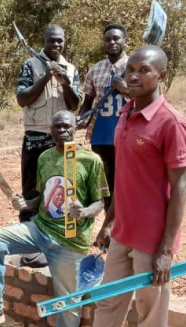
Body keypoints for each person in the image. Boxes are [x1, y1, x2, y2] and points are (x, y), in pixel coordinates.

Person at [63, 46, 186, 327]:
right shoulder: (126, 114)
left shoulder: (171, 122)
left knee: (149, 310)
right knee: (110, 299)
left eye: (143, 70)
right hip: (123, 230)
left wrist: (166, 249)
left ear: (161, 75)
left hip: (152, 239)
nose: (133, 76)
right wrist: (109, 223)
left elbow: (180, 187)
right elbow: (123, 177)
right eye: (130, 69)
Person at [0, 110, 108, 327]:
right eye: (57, 127)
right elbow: (43, 197)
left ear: (76, 128)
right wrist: (26, 204)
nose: (62, 131)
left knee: (69, 304)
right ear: (50, 131)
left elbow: (100, 202)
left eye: (66, 126)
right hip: (40, 229)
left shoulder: (91, 160)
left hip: (70, 242)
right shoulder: (45, 158)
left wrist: (83, 212)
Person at [15, 24, 82, 268]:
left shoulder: (72, 69)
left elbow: (74, 105)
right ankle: (28, 245)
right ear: (43, 40)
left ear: (64, 42)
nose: (56, 45)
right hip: (35, 138)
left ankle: (57, 244)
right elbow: (22, 99)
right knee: (32, 194)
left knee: (60, 192)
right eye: (51, 41)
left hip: (63, 140)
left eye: (60, 41)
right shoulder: (30, 65)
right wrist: (46, 76)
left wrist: (63, 79)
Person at [77, 24, 129, 212]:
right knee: (106, 184)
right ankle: (110, 229)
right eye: (108, 39)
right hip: (101, 136)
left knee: (128, 182)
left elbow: (146, 99)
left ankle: (127, 230)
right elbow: (88, 101)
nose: (112, 42)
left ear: (125, 41)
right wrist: (82, 117)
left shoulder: (135, 66)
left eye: (116, 38)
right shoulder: (95, 69)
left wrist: (125, 88)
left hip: (128, 135)